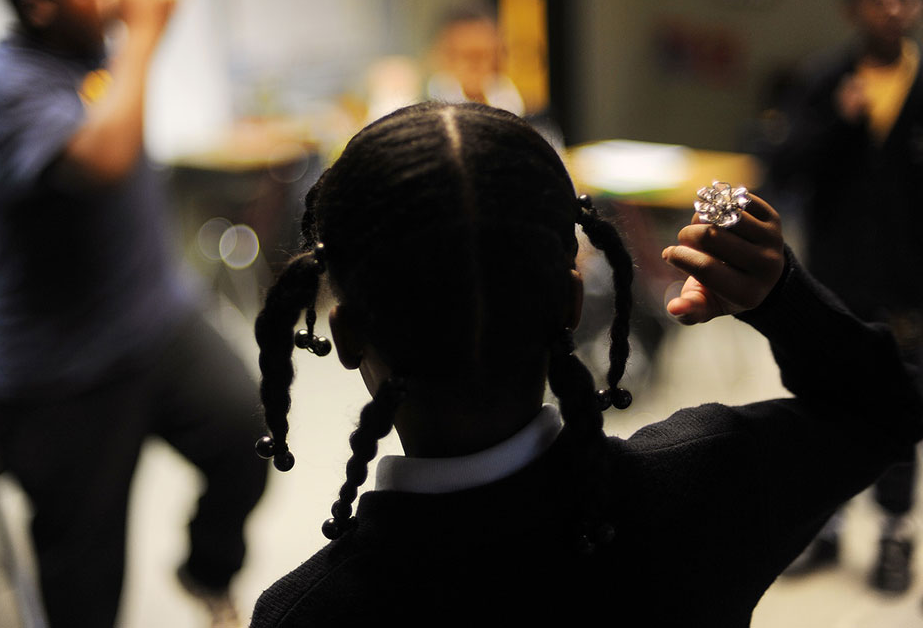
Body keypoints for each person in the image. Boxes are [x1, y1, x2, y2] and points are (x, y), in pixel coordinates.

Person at [245, 100, 923, 626]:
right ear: (572, 304)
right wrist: (783, 301)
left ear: (348, 333)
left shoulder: (306, 614)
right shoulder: (711, 482)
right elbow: (889, 408)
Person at [0, 0, 268, 626]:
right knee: (85, 586)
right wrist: (141, 34)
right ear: (39, 4)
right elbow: (103, 156)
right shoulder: (11, 82)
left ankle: (205, 570)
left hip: (154, 322)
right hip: (63, 371)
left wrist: (136, 34)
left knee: (247, 436)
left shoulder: (87, 55)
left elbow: (118, 97)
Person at [759, 0, 923, 593]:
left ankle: (892, 533)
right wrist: (837, 121)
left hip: (909, 285)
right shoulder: (826, 80)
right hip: (835, 278)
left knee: (900, 409)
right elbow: (780, 168)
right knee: (825, 403)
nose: (892, 6)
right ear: (851, 4)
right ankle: (825, 527)